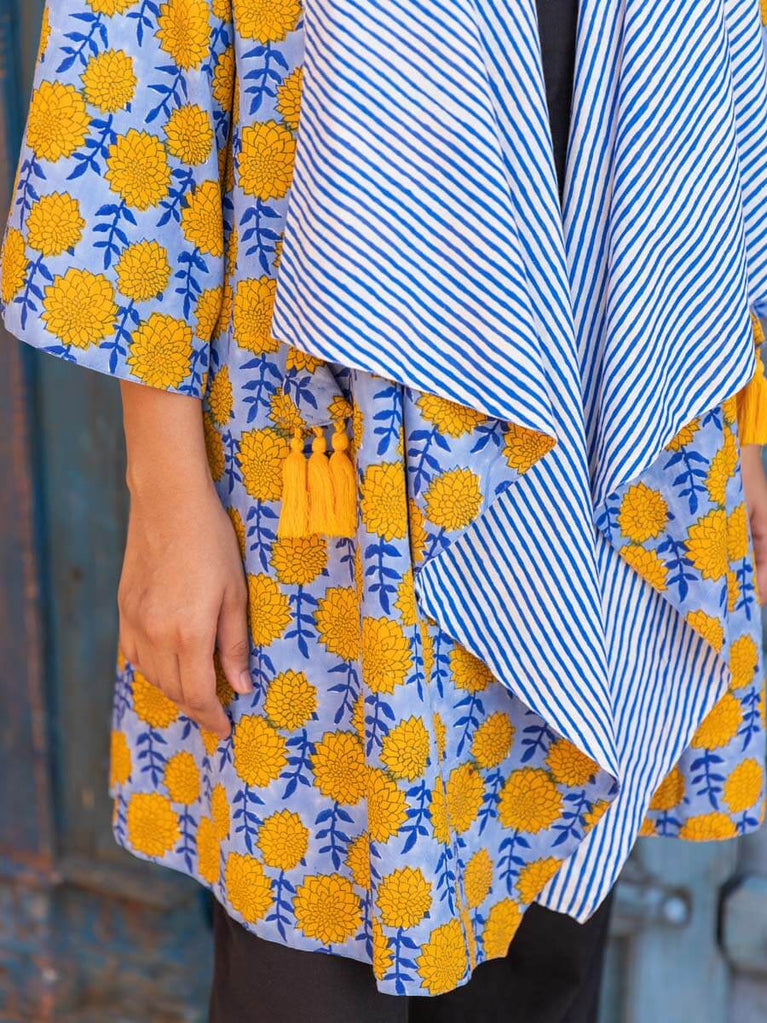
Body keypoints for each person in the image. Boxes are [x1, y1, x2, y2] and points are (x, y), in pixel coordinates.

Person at [2, 1, 767, 1021]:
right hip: (325, 474)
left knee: (540, 946)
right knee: (311, 951)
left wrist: (737, 439)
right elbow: (136, 68)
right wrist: (166, 493)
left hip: (608, 415)